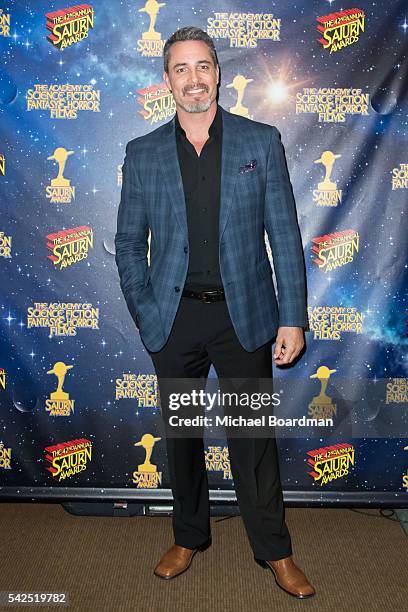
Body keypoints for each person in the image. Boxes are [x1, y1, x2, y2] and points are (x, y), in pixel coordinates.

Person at [114, 26, 315, 599]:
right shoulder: (143, 152)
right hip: (173, 321)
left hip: (245, 317)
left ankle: (275, 551)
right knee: (181, 436)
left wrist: (291, 316)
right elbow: (129, 244)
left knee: (253, 441)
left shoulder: (260, 142)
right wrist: (148, 312)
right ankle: (188, 535)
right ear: (166, 80)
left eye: (203, 67)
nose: (194, 79)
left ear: (219, 73)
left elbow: (285, 235)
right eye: (181, 69)